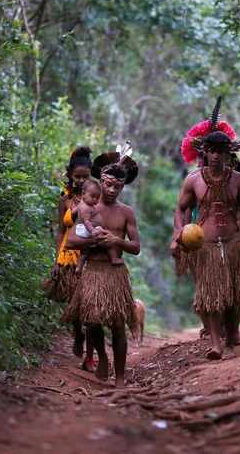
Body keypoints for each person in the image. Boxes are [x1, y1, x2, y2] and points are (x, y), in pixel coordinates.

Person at [173, 98, 240, 360]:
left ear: (228, 153)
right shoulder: (193, 181)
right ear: (205, 152)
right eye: (212, 151)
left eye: (222, 151)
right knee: (209, 296)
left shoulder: (239, 180)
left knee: (233, 294)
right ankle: (215, 343)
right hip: (205, 245)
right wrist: (179, 234)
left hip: (232, 243)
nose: (217, 156)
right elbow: (180, 210)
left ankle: (230, 341)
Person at [64, 143, 140, 388]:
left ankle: (119, 378)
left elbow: (136, 247)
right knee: (92, 322)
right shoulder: (88, 208)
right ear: (101, 181)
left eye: (117, 186)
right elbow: (72, 240)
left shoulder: (126, 212)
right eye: (108, 184)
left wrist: (116, 240)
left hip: (115, 273)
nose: (111, 190)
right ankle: (102, 357)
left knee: (118, 324)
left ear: (123, 186)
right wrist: (95, 239)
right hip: (93, 272)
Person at [40, 146, 98, 372]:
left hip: (91, 258)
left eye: (86, 176)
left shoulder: (96, 197)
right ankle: (78, 334)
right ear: (70, 176)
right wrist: (57, 261)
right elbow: (61, 232)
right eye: (78, 177)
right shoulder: (64, 199)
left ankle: (91, 357)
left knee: (90, 307)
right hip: (68, 257)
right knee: (74, 303)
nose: (83, 181)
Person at [72, 180, 122, 271]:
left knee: (84, 252)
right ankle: (114, 258)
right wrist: (93, 230)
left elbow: (73, 212)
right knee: (106, 238)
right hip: (88, 229)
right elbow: (86, 221)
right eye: (92, 197)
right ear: (83, 194)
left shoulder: (82, 205)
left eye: (97, 198)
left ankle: (78, 268)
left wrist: (75, 217)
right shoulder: (85, 207)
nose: (95, 200)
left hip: (84, 229)